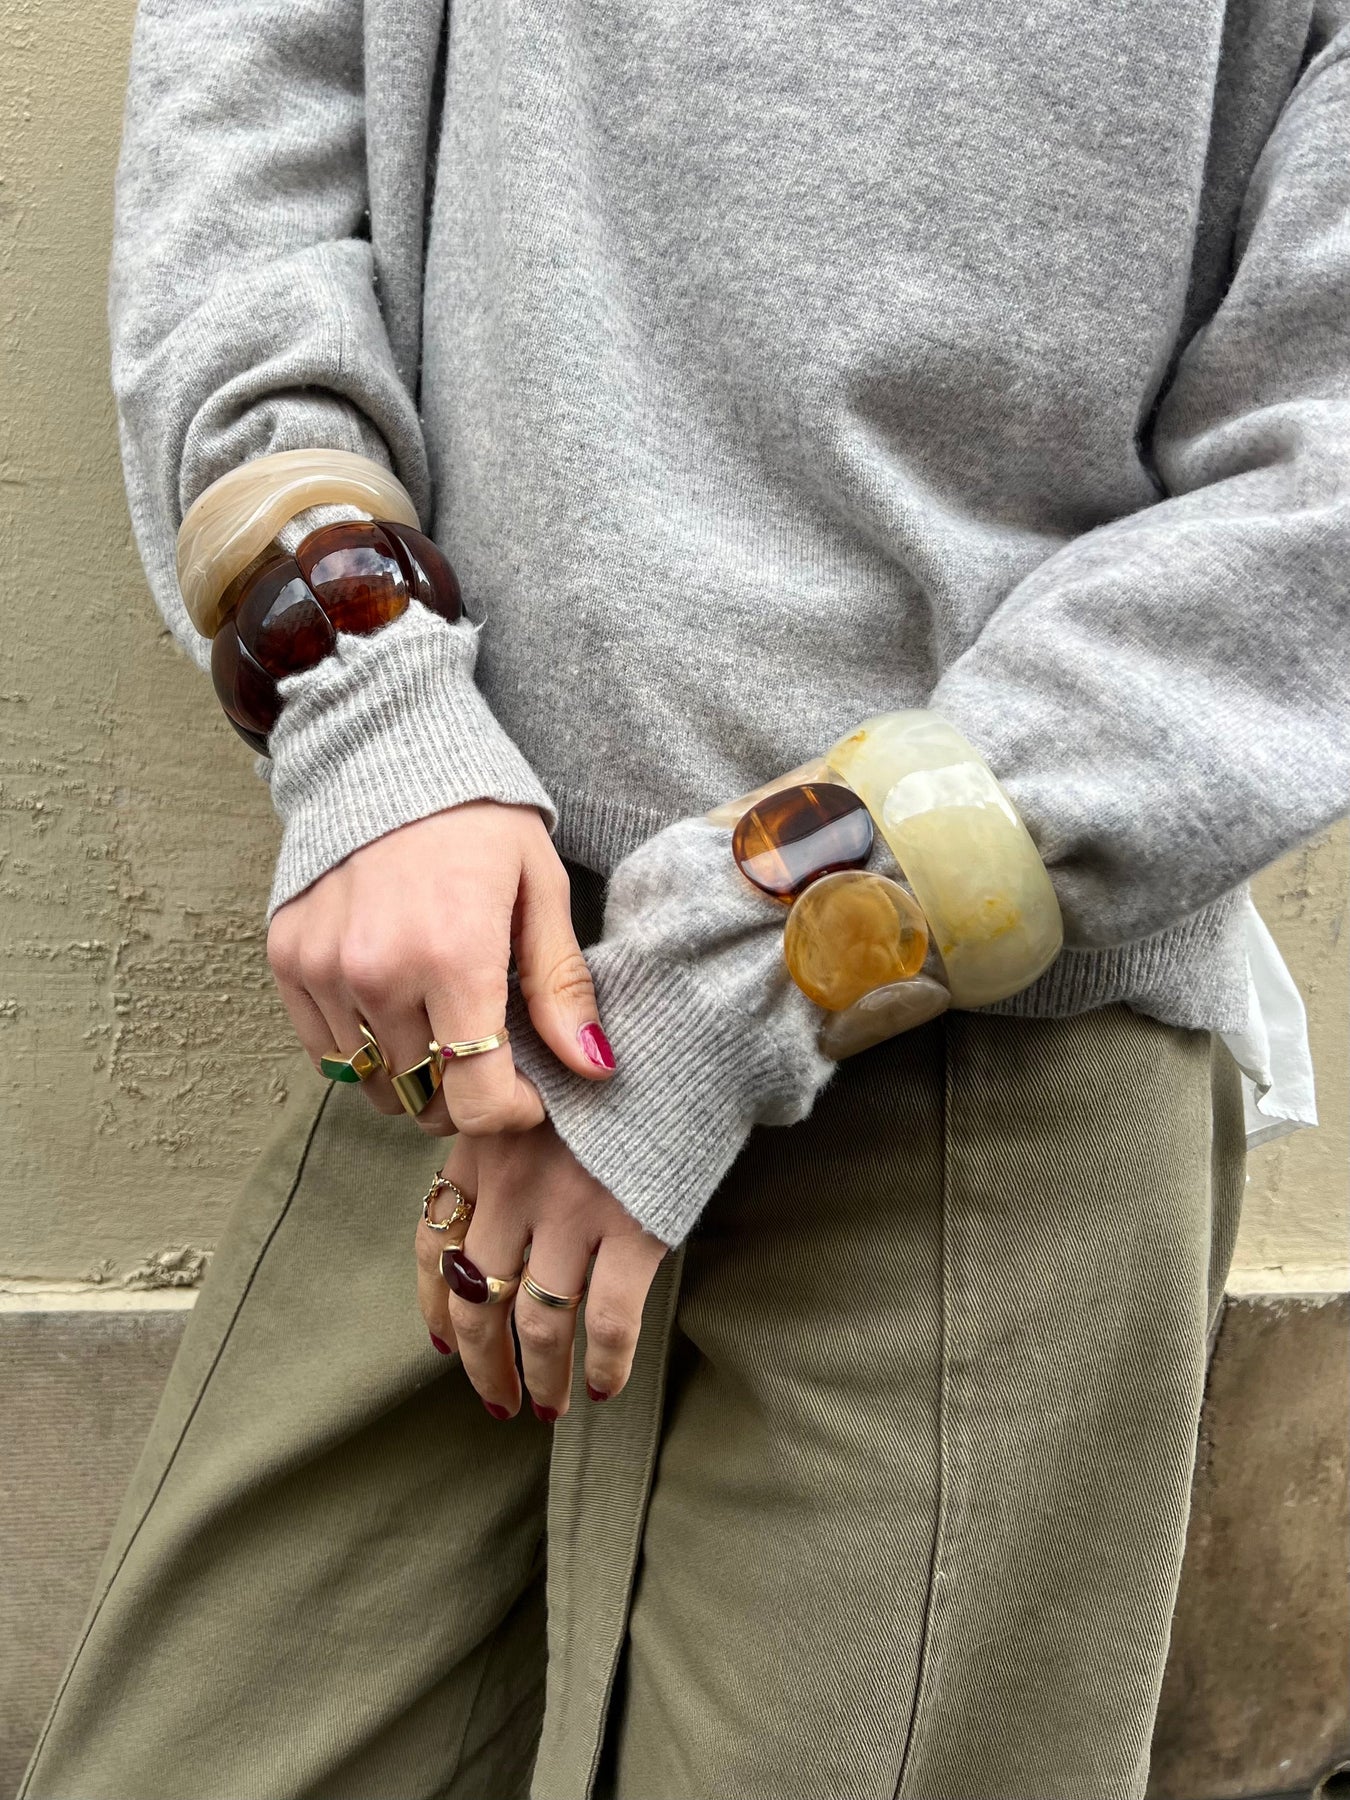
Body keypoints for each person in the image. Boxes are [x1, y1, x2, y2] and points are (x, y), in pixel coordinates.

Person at [22, 1, 1349, 1796]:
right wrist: (365, 703)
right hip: (466, 995)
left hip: (995, 1076)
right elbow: (246, 155)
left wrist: (740, 967)